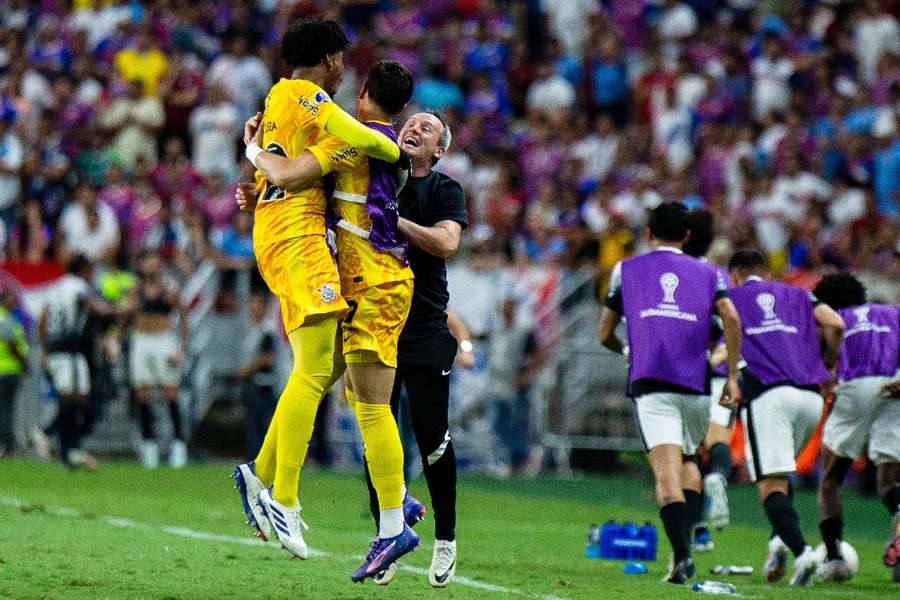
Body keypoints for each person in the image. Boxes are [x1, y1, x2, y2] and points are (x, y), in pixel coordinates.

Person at [229, 17, 406, 570]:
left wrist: (256, 175)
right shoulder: (308, 96)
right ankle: (282, 496)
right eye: (340, 60)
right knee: (313, 371)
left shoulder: (278, 97)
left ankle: (259, 474)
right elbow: (329, 154)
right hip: (301, 239)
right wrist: (393, 150)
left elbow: (283, 165)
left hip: (288, 233)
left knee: (324, 367)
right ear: (330, 60)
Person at [598, 201, 742, 584]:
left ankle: (680, 560)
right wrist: (729, 376)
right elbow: (730, 317)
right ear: (688, 236)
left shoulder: (626, 269)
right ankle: (691, 541)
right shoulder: (710, 272)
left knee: (666, 475)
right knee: (690, 458)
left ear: (648, 232)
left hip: (652, 384)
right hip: (696, 385)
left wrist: (629, 349)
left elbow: (603, 333)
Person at [726, 249, 845, 587]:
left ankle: (803, 552)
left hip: (769, 395)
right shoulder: (799, 293)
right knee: (781, 474)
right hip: (811, 398)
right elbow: (835, 323)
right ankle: (777, 544)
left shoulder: (731, 296)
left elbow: (725, 328)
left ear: (734, 274)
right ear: (764, 272)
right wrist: (829, 364)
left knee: (769, 484)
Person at [812, 273, 900, 582]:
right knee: (890, 480)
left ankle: (834, 558)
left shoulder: (835, 318)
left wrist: (825, 375)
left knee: (830, 480)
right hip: (896, 383)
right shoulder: (893, 312)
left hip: (856, 384)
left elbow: (826, 354)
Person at [682, 209, 734, 539]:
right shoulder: (719, 277)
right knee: (717, 436)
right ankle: (718, 474)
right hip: (716, 369)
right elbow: (733, 324)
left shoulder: (673, 273)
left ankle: (695, 524)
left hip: (682, 372)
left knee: (687, 450)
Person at [37, 255, 108, 470]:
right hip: (69, 348)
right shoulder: (79, 286)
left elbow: (42, 319)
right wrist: (120, 309)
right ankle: (47, 434)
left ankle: (70, 451)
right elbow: (94, 307)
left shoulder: (55, 287)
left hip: (58, 348)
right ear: (84, 269)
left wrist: (44, 349)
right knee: (74, 400)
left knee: (75, 399)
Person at [126, 250, 188, 469]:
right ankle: (149, 445)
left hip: (163, 339)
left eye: (154, 261)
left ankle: (179, 445)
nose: (151, 266)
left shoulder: (169, 288)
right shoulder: (135, 290)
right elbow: (126, 317)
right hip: (142, 339)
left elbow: (182, 316)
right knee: (143, 393)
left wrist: (181, 346)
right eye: (147, 261)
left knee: (170, 392)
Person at [235, 290, 278, 460]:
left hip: (264, 384)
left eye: (257, 304)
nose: (253, 308)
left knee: (260, 423)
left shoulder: (268, 330)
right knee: (252, 423)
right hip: (251, 383)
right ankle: (254, 457)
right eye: (251, 304)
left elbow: (268, 358)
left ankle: (258, 458)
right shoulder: (250, 328)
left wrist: (248, 368)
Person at [0, 288, 27, 456]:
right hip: (8, 370)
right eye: (12, 300)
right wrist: (24, 362)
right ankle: (7, 445)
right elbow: (11, 345)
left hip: (5, 370)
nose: (15, 303)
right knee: (6, 410)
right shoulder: (5, 319)